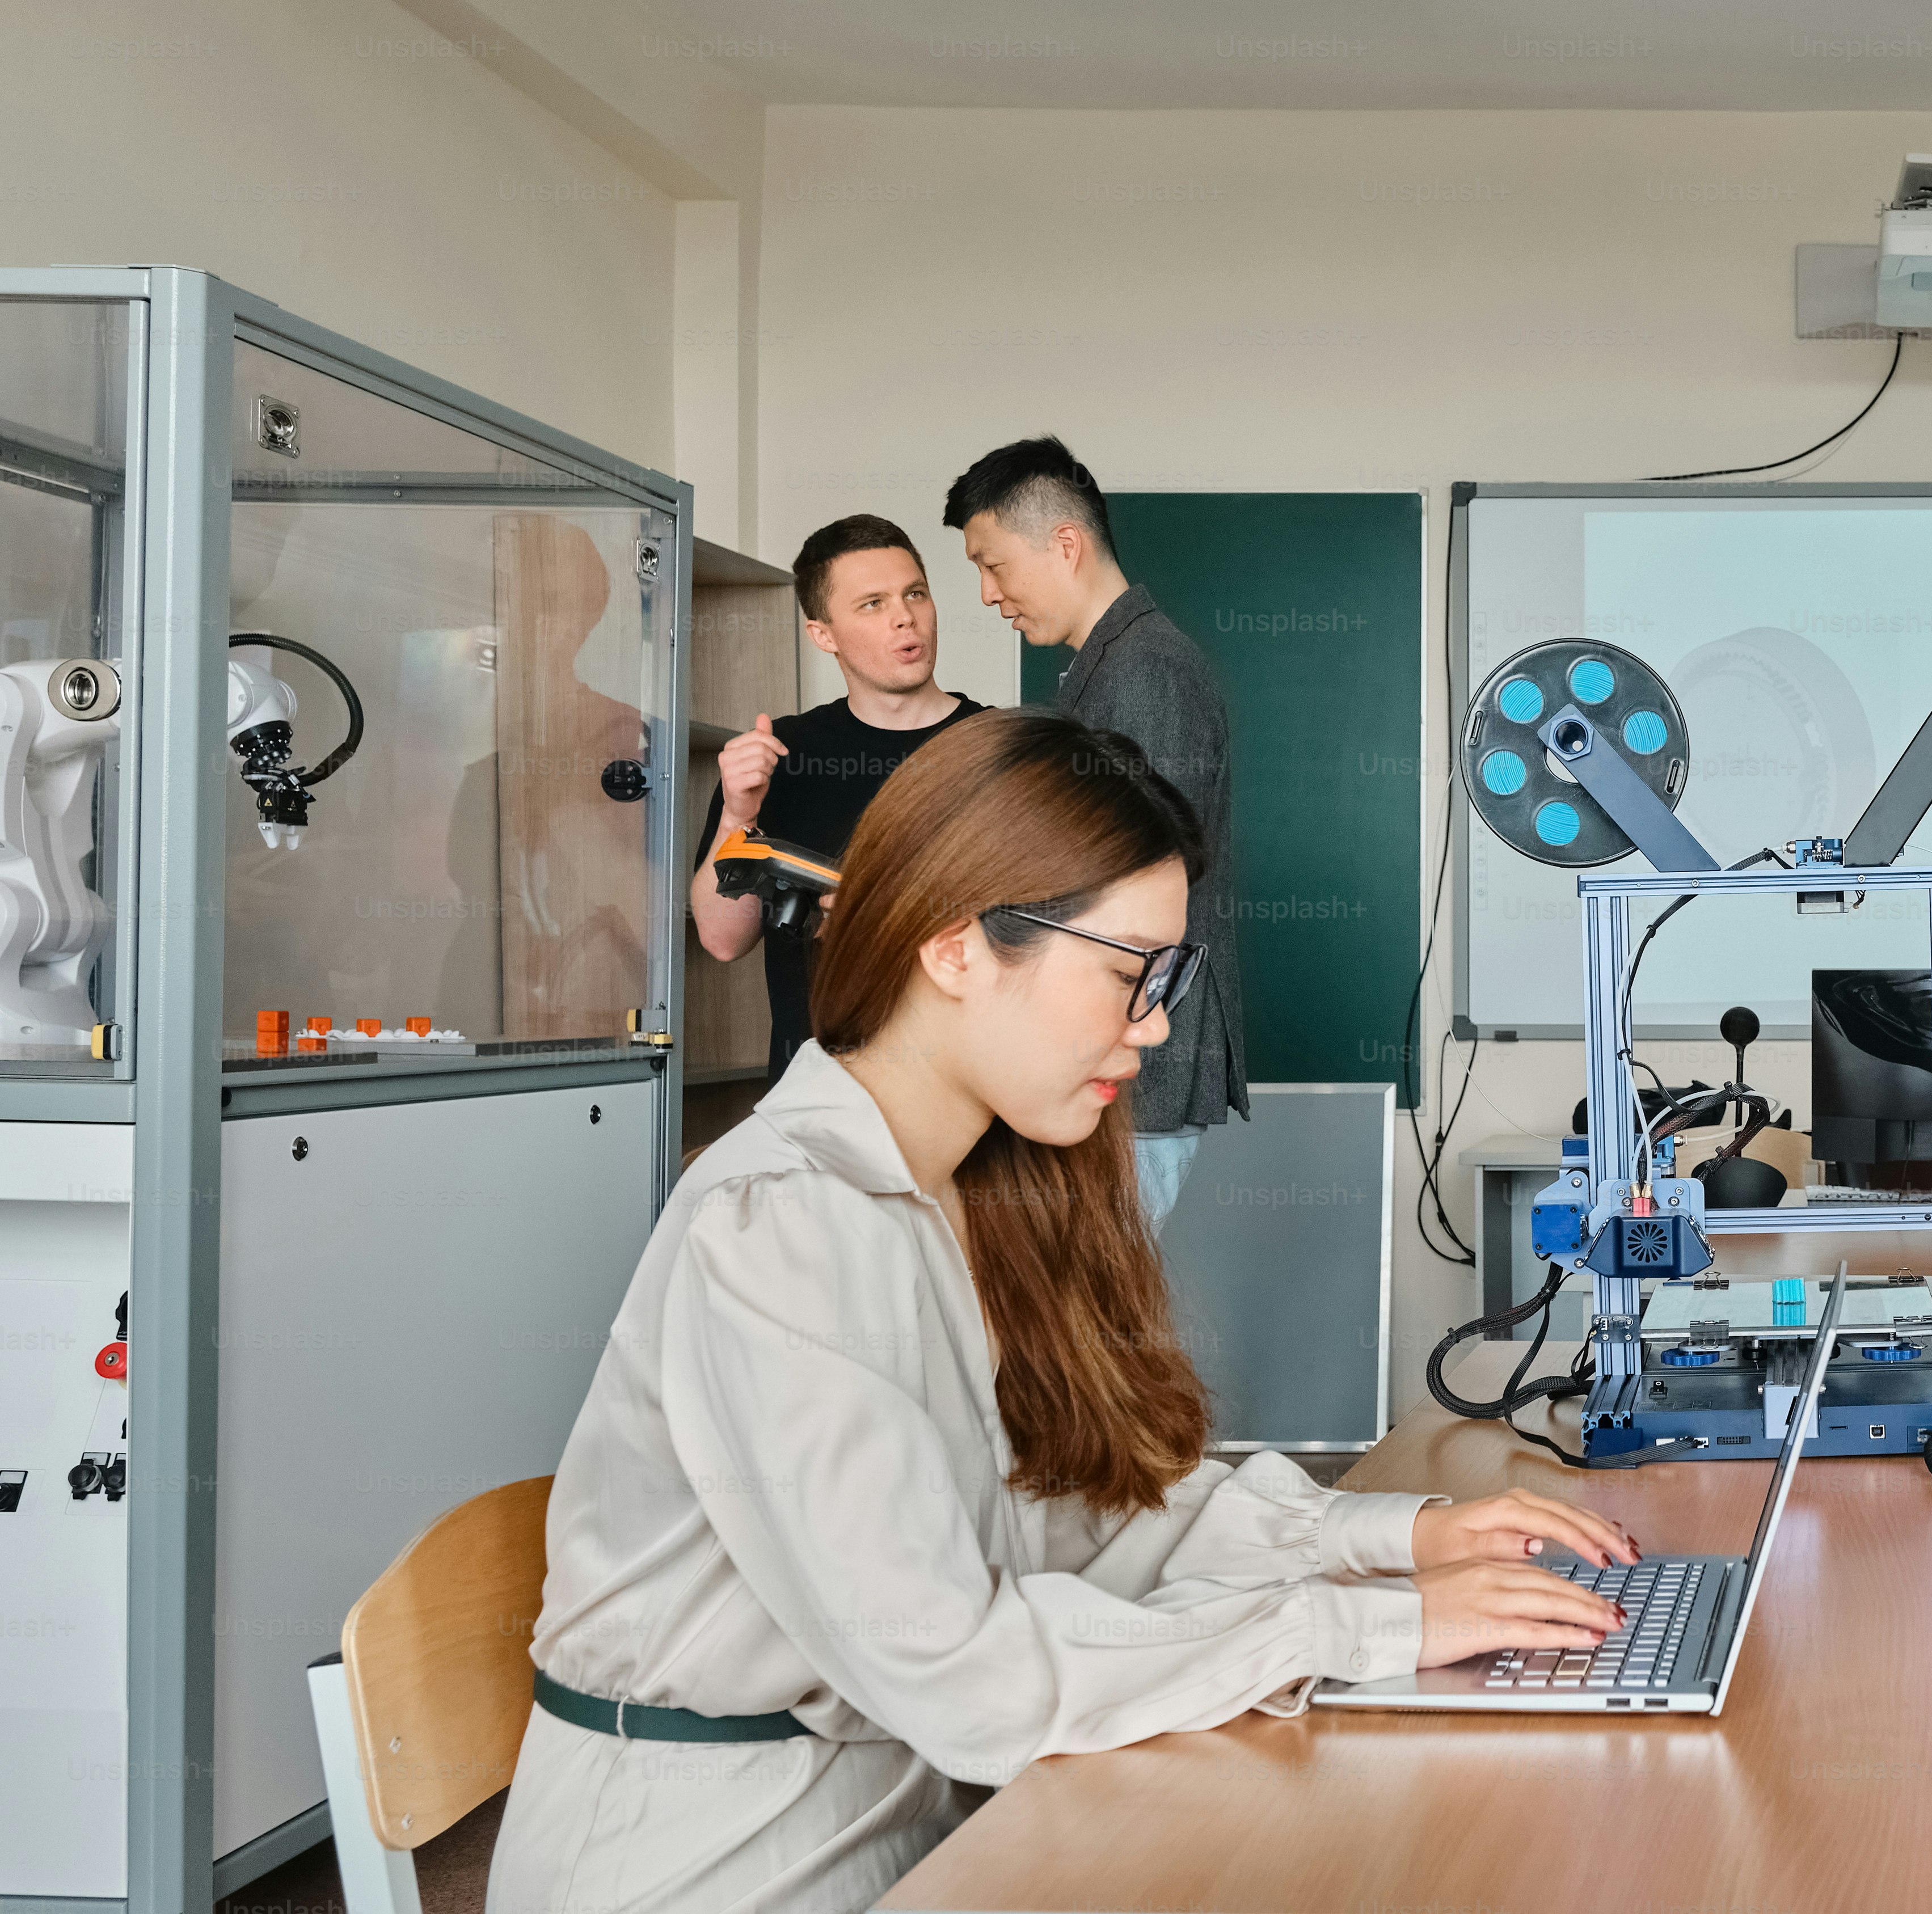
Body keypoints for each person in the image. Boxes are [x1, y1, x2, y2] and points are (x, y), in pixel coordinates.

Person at [492, 708, 1635, 1914]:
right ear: (955, 947)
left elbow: (1084, 1516)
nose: (1154, 1024)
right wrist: (1349, 1632)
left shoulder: (965, 1184)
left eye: (1167, 975)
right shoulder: (782, 1222)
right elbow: (965, 1674)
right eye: (1127, 972)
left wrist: (1394, 1544)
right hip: (719, 1863)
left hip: (918, 1816)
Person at [943, 437, 1243, 1223]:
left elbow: (1139, 883)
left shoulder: (1145, 669)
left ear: (1064, 544)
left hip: (1127, 1067)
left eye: (993, 563)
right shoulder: (1105, 665)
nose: (985, 592)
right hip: (1107, 1060)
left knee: (1090, 1327)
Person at [693, 514, 986, 1081]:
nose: (906, 616)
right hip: (817, 1093)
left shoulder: (1000, 748)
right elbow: (722, 940)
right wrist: (739, 814)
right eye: (873, 603)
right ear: (822, 634)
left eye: (915, 594)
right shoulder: (783, 753)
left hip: (963, 1093)